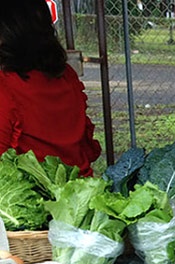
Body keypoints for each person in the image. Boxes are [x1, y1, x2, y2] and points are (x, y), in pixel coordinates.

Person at [0, 0, 102, 177]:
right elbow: (87, 147)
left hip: (31, 197)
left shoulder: (6, 85)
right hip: (77, 189)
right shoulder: (66, 74)